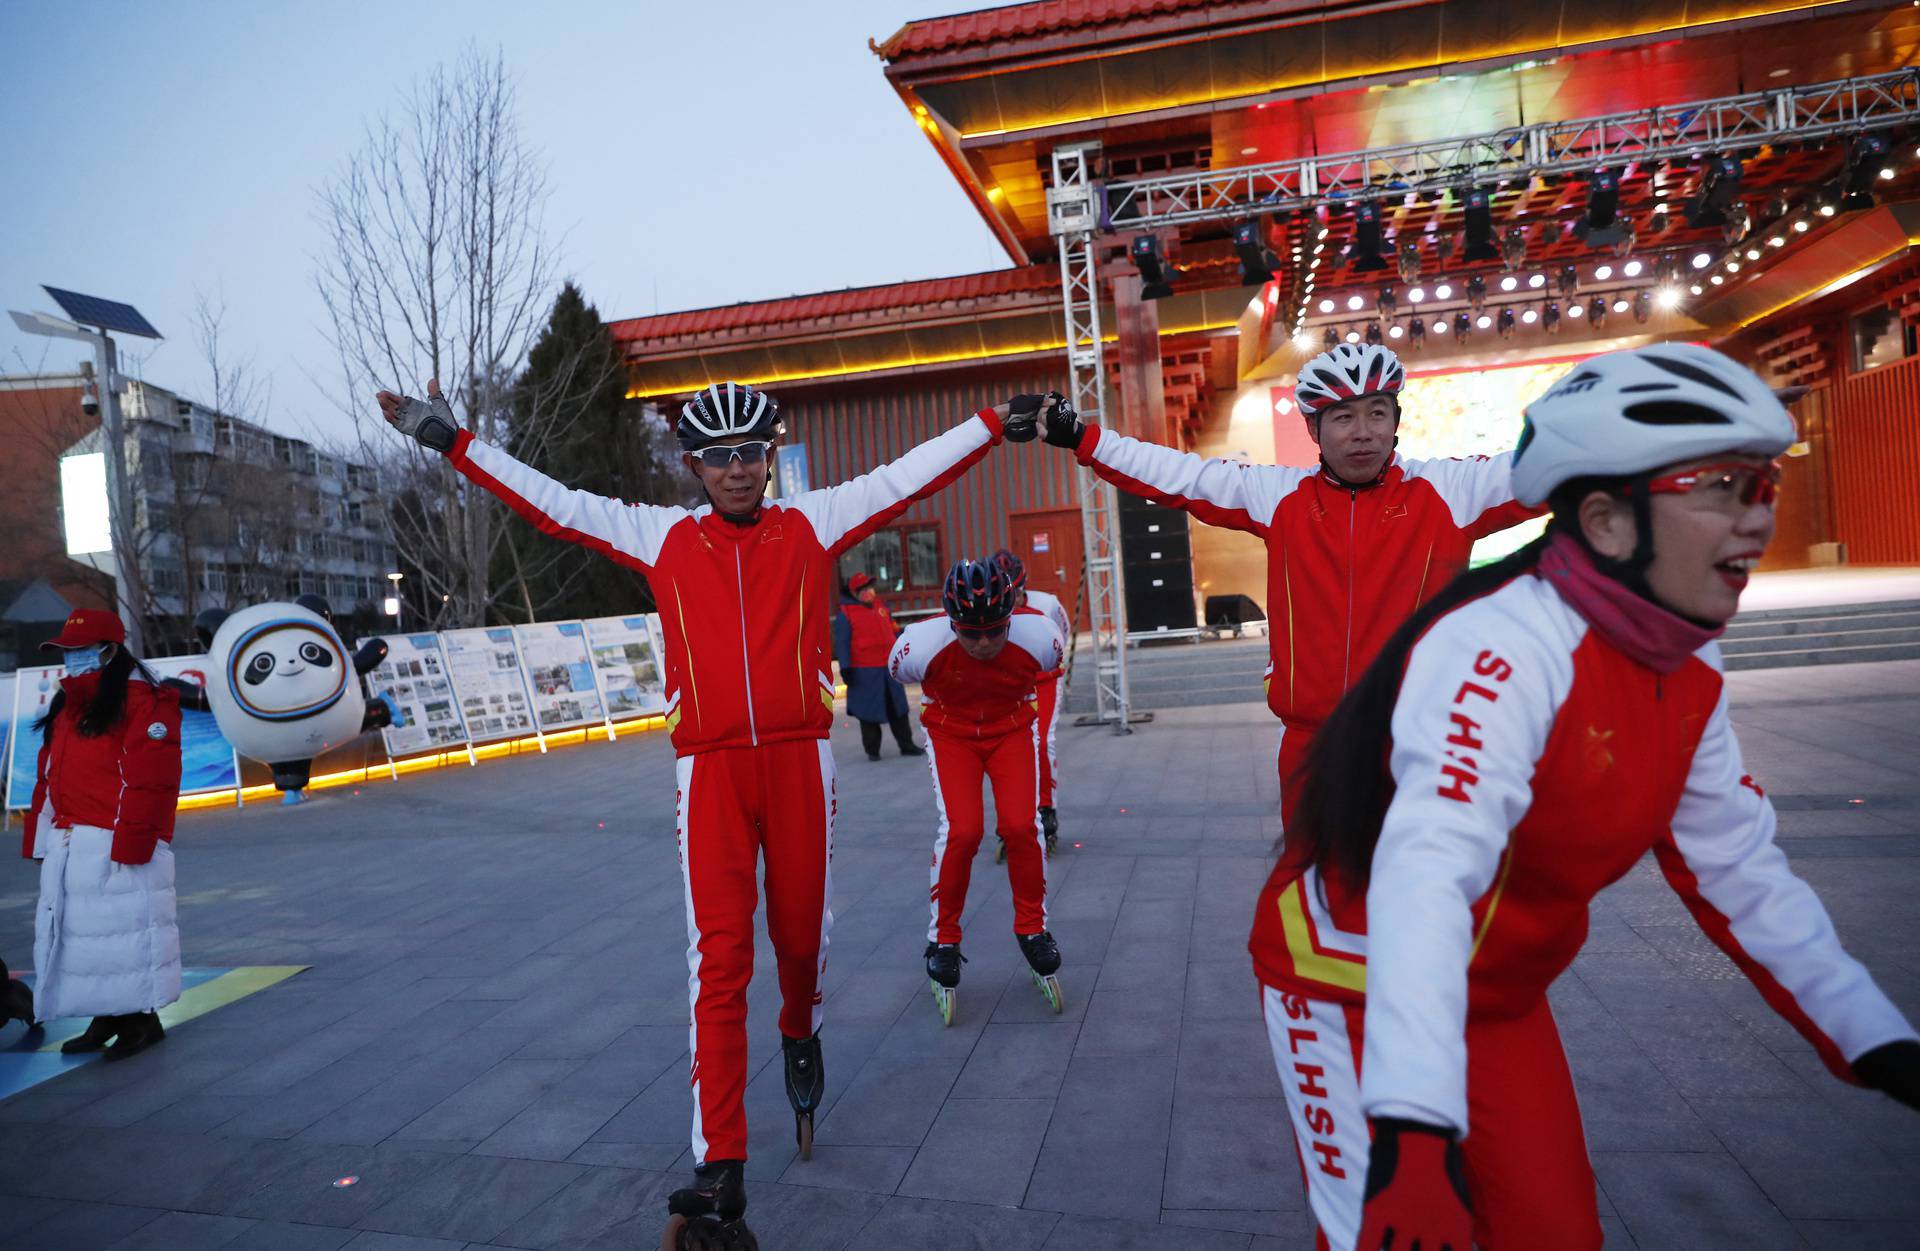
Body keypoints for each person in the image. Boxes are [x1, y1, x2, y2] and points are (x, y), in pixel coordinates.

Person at [1252, 344, 1920, 1251]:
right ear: (1603, 521)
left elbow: (1737, 869)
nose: (1756, 523)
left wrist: (1877, 1040)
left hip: (1499, 993)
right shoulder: (1497, 655)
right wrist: (1414, 1132)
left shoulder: (1682, 660)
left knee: (1557, 1234)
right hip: (1354, 980)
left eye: (1761, 488)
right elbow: (1425, 884)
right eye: (1719, 490)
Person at [378, 377, 1041, 1249]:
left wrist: (992, 425)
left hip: (801, 765)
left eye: (750, 454)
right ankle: (718, 1161)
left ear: (772, 456)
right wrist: (452, 441)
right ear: (692, 465)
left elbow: (907, 475)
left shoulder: (815, 522)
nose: (736, 471)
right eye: (718, 458)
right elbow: (548, 503)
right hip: (710, 776)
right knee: (718, 963)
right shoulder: (662, 536)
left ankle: (800, 1029)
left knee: (799, 940)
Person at [1030, 343, 1536, 827]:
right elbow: (1182, 476)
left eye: (1378, 413)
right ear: (1314, 429)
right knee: (1312, 902)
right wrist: (1082, 437)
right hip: (1313, 743)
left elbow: (1559, 462)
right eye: (1343, 417)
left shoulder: (1451, 492)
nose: (1363, 432)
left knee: (1430, 897)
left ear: (1397, 422)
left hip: (1424, 741)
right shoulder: (1281, 498)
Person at [888, 559, 1068, 1025]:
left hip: (1011, 731)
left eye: (995, 630)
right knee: (964, 832)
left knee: (1020, 827)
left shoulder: (1042, 637)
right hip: (952, 735)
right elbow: (898, 676)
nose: (984, 642)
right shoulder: (917, 646)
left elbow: (1050, 672)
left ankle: (1033, 930)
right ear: (951, 623)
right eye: (971, 633)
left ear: (1012, 618)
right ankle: (943, 940)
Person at [21, 609, 183, 1061]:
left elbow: (153, 777)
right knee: (85, 940)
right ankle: (108, 1014)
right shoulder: (68, 706)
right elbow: (49, 774)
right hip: (72, 843)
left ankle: (139, 1021)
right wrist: (40, 835)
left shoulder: (146, 702)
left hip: (115, 841)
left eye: (80, 650)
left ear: (110, 650)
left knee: (126, 935)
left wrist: (132, 841)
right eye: (66, 651)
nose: (72, 659)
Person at [990, 549, 1071, 858]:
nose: (1014, 599)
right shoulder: (992, 608)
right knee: (1006, 746)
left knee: (1041, 743)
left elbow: (1060, 637)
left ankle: (1046, 809)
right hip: (1009, 682)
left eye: (1018, 591)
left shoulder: (1047, 604)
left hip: (1045, 679)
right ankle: (1011, 817)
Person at [830, 572, 923, 761]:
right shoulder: (845, 615)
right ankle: (873, 751)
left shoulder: (882, 607)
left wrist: (904, 651)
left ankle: (907, 745)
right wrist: (846, 668)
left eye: (870, 588)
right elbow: (842, 643)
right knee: (868, 712)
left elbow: (894, 631)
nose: (868, 592)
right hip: (864, 672)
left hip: (889, 668)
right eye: (863, 589)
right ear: (855, 592)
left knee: (898, 708)